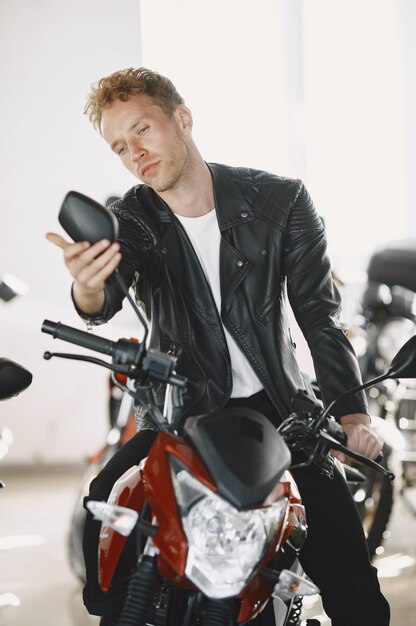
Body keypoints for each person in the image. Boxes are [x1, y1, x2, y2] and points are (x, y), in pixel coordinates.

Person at [47, 67, 390, 625]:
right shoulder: (134, 216)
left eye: (143, 130)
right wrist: (87, 284)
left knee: (352, 578)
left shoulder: (281, 202)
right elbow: (106, 293)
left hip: (281, 415)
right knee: (104, 502)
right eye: (118, 146)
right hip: (181, 415)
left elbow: (319, 318)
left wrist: (353, 414)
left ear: (181, 119)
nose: (134, 152)